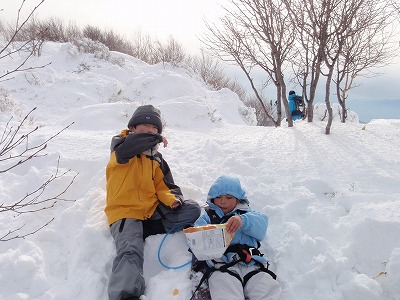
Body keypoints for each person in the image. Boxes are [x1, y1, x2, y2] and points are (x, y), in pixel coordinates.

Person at [105, 104, 201, 300]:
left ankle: (146, 229)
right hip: (126, 212)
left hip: (149, 212)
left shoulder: (156, 159)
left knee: (192, 209)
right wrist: (154, 139)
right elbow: (130, 147)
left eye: (154, 129)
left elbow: (163, 187)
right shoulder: (120, 146)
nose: (150, 131)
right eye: (144, 127)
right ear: (132, 128)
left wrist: (173, 201)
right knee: (130, 251)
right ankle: (126, 295)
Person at [194, 175, 281, 300]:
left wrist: (242, 220)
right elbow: (196, 237)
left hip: (251, 263)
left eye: (229, 197)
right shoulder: (207, 217)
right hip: (222, 266)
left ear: (239, 200)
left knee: (266, 287)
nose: (223, 201)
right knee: (224, 290)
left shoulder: (247, 214)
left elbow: (261, 228)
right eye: (218, 197)